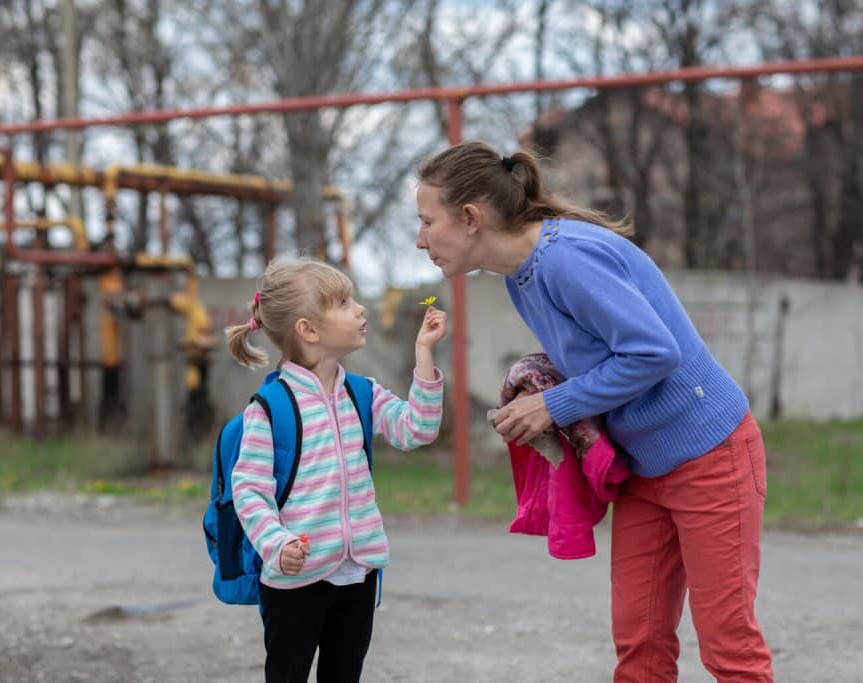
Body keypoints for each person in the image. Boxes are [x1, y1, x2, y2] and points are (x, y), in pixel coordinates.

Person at [414, 140, 772, 682]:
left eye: (425, 222)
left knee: (728, 649)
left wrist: (553, 405)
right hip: (644, 470)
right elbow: (600, 353)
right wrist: (542, 386)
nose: (420, 241)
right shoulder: (520, 277)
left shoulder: (565, 258)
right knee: (640, 644)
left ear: (470, 218)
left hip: (710, 457)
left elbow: (653, 352)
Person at [226, 257, 447, 683]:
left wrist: (424, 354)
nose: (360, 309)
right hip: (294, 579)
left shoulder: (362, 393)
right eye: (344, 303)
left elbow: (416, 429)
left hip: (357, 572)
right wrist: (276, 543)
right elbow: (249, 489)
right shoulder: (270, 409)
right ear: (308, 330)